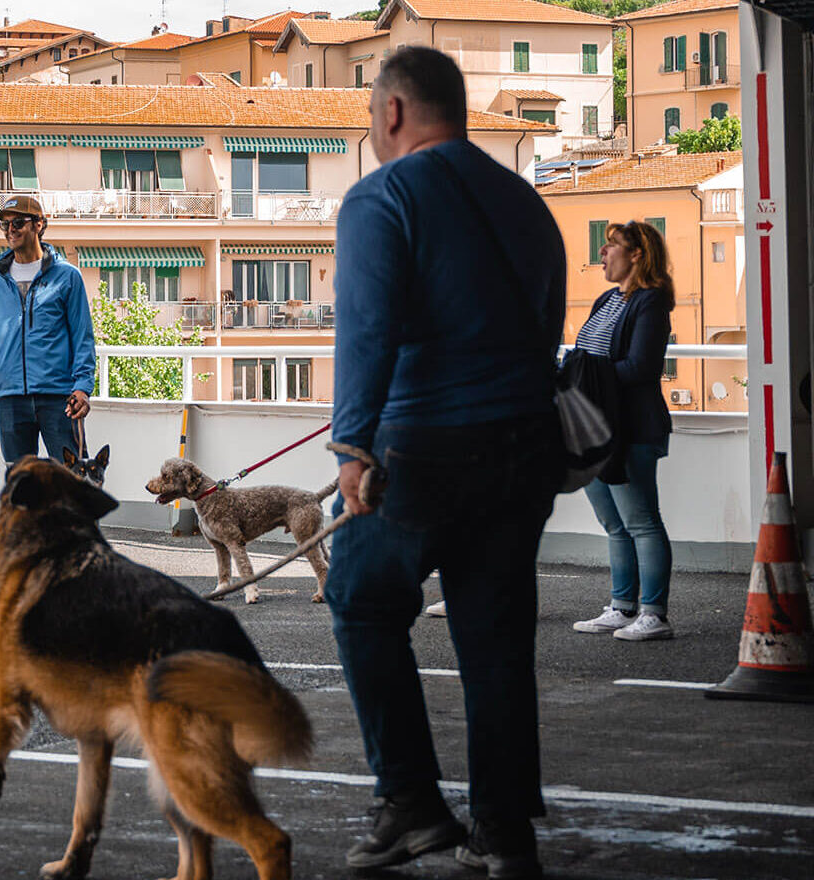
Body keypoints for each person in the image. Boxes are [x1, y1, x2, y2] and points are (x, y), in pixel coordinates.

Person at [326, 47, 563, 880]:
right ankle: (503, 832)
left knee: (358, 594)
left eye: (369, 118)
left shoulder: (381, 197)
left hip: (425, 444)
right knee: (495, 639)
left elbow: (366, 330)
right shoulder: (526, 201)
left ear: (392, 112)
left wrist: (353, 445)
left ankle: (411, 801)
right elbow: (545, 329)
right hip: (527, 446)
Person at [570, 221, 676, 642]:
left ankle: (654, 614)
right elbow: (587, 355)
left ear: (636, 254)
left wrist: (582, 379)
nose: (602, 254)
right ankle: (622, 606)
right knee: (614, 523)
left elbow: (641, 368)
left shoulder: (650, 303)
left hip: (631, 428)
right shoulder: (605, 300)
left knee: (641, 521)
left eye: (611, 246)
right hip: (597, 428)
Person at [0, 194, 95, 466]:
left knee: (70, 480)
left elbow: (82, 336)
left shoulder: (67, 277)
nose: (11, 230)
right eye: (5, 225)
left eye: (18, 222)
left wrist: (83, 387)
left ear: (39, 224)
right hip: (9, 396)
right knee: (20, 484)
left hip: (59, 396)